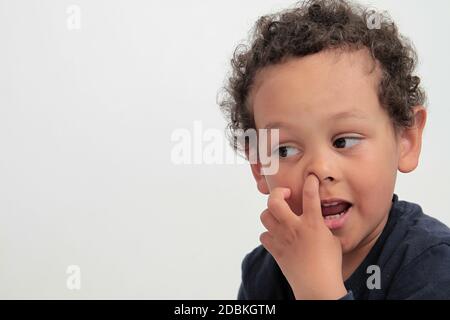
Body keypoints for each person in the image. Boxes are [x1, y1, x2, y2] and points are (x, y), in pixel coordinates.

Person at [218, 0, 450, 299]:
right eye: (285, 150)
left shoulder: (433, 266)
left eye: (343, 141)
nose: (320, 169)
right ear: (260, 168)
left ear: (406, 139)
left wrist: (317, 290)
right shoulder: (264, 272)